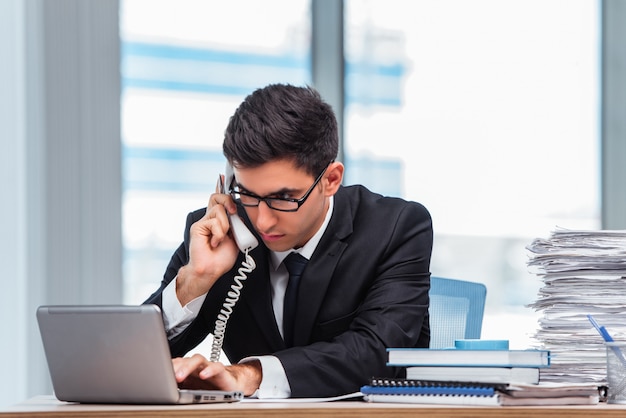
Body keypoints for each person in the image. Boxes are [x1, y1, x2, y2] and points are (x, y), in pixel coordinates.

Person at [144, 83, 433, 398]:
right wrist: (194, 280)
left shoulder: (395, 227)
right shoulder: (218, 231)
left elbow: (377, 353)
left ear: (331, 179)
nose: (263, 221)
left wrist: (250, 374)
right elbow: (132, 363)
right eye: (248, 195)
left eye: (284, 198)